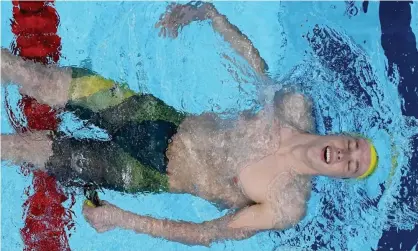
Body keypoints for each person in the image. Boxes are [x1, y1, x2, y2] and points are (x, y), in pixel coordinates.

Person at [1, 2, 378, 247]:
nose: (346, 154)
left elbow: (205, 233)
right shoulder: (295, 107)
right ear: (344, 136)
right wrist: (212, 16)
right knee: (33, 77)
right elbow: (259, 70)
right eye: (353, 146)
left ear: (341, 176)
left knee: (25, 149)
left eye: (352, 165)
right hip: (151, 115)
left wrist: (121, 219)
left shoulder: (286, 203)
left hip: (141, 171)